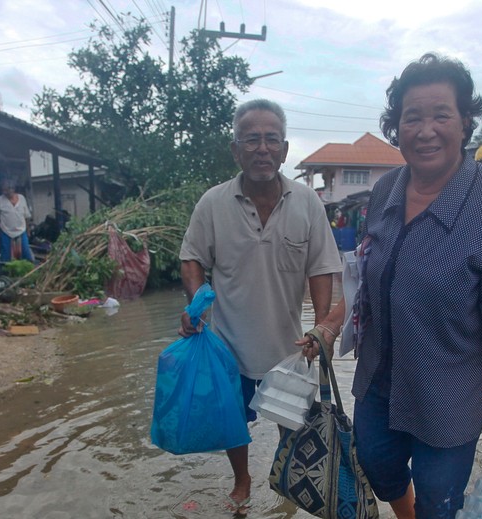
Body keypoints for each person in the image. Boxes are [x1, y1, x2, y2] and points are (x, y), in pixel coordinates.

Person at [298, 53, 482, 519]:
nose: (426, 129)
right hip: (380, 375)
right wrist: (330, 325)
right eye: (412, 117)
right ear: (397, 127)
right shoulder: (387, 188)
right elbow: (365, 278)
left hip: (449, 384)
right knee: (376, 462)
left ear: (465, 122)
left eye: (441, 115)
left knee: (440, 495)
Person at [177, 99, 343, 514]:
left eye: (271, 140)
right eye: (251, 139)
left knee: (292, 422)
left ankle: (286, 476)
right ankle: (243, 480)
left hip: (288, 345)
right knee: (234, 423)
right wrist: (196, 305)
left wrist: (322, 327)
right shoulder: (212, 203)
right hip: (228, 344)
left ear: (284, 150)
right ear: (236, 150)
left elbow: (322, 268)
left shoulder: (307, 202)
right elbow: (191, 258)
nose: (262, 148)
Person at [0, 178, 34, 263]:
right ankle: (6, 274)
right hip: (6, 232)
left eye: (6, 190)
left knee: (26, 254)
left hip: (21, 231)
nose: (4, 193)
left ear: (12, 189)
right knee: (6, 256)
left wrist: (28, 230)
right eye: (3, 190)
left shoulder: (21, 198)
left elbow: (26, 216)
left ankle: (29, 272)